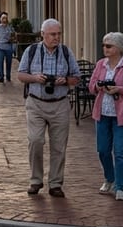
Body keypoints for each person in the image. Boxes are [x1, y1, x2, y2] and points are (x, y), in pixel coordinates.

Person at [17, 18, 80, 197]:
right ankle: (35, 180)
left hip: (60, 104)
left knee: (59, 146)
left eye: (59, 34)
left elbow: (76, 77)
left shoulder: (67, 52)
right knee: (35, 141)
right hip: (36, 102)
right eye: (53, 34)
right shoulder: (31, 51)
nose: (56, 37)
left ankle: (55, 184)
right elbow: (21, 75)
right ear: (43, 34)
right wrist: (35, 78)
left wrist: (65, 80)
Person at [89, 32, 123, 201]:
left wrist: (118, 89)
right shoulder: (100, 65)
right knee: (103, 150)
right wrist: (98, 86)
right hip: (102, 114)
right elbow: (91, 86)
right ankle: (109, 178)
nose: (105, 48)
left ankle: (121, 186)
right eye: (104, 45)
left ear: (119, 48)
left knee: (120, 152)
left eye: (109, 46)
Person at [0, 12, 17, 83]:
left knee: (9, 62)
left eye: (5, 18)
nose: (4, 19)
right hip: (0, 47)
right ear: (0, 19)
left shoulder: (10, 27)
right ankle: (1, 76)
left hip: (8, 47)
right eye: (3, 18)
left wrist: (13, 44)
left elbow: (14, 36)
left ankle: (8, 76)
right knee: (0, 62)